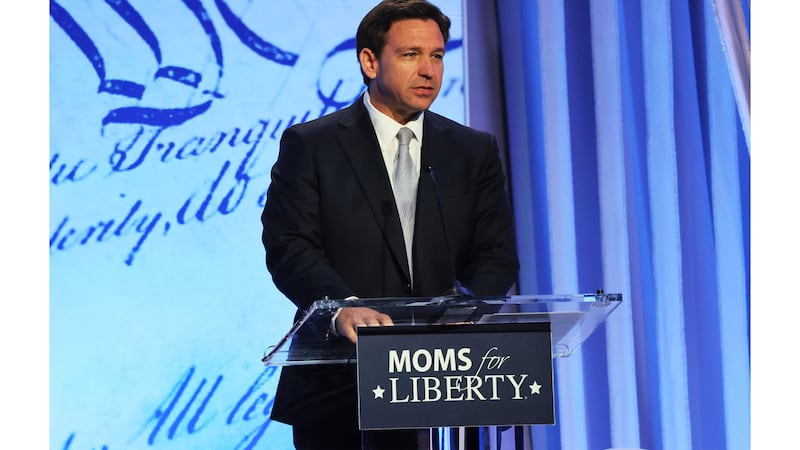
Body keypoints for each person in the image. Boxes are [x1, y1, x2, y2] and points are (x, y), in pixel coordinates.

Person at [261, 0, 519, 448]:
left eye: (437, 56)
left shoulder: (471, 151)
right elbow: (291, 246)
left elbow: (496, 255)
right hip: (340, 385)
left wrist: (465, 308)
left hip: (450, 382)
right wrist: (342, 306)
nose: (428, 70)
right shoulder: (312, 145)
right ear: (369, 61)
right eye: (410, 54)